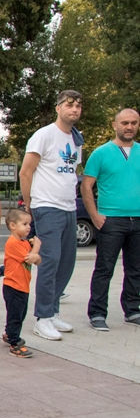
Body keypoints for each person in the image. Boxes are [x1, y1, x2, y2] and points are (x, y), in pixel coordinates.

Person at [20, 90, 83, 340]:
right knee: (50, 260)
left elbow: (71, 171)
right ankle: (43, 317)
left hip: (69, 207)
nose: (74, 109)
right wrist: (30, 205)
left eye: (78, 106)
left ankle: (54, 311)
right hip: (47, 206)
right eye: (69, 105)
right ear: (58, 108)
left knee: (66, 262)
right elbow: (26, 172)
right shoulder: (44, 135)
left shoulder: (76, 138)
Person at [82, 108, 140, 330]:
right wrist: (94, 215)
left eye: (134, 123)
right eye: (125, 123)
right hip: (111, 220)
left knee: (135, 269)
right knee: (104, 268)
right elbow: (86, 185)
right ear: (115, 125)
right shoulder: (101, 153)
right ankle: (97, 313)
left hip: (138, 220)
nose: (129, 127)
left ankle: (132, 310)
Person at [1, 208, 41, 358]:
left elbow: (37, 260)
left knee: (20, 313)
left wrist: (35, 252)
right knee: (15, 316)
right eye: (24, 224)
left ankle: (9, 334)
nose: (28, 227)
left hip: (23, 286)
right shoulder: (13, 243)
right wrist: (37, 246)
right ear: (12, 226)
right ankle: (14, 342)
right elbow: (31, 258)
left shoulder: (24, 243)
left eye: (29, 224)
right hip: (13, 286)